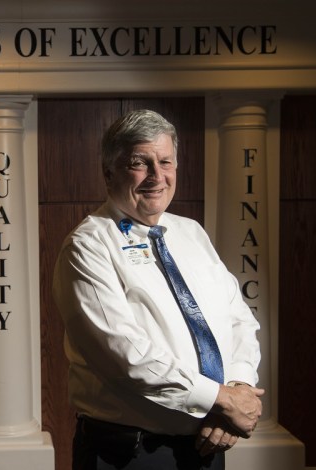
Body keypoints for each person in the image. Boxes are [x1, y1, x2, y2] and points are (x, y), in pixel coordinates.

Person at [52, 109, 264, 470]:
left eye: (165, 161)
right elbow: (125, 355)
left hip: (209, 443)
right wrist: (222, 399)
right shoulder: (87, 246)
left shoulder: (190, 233)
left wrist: (239, 386)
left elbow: (239, 320)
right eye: (140, 163)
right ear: (109, 173)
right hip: (132, 455)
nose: (156, 176)